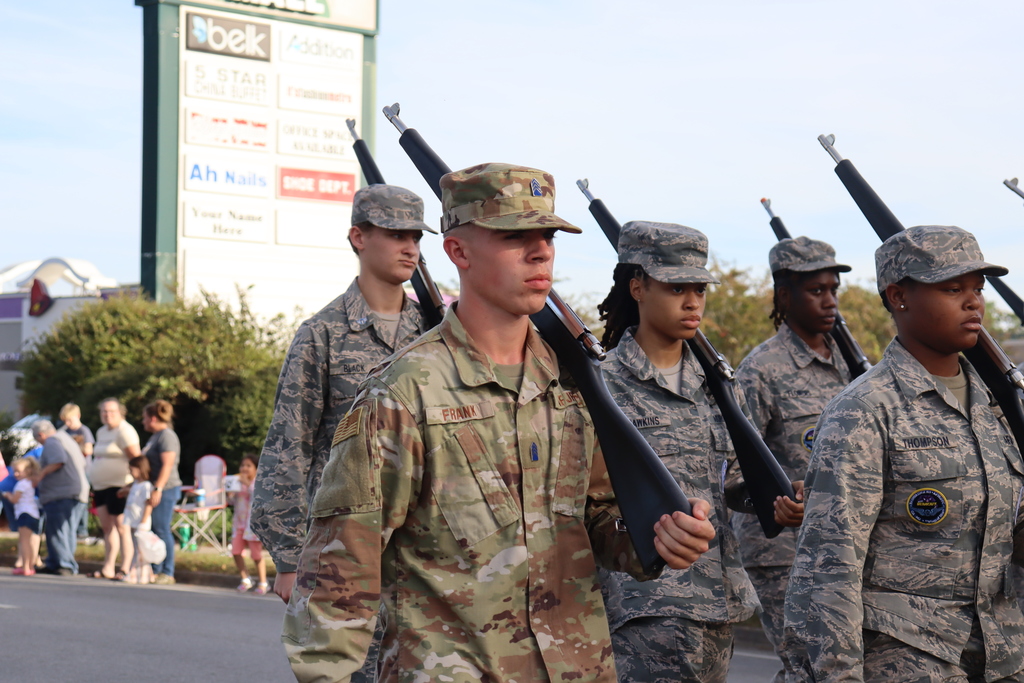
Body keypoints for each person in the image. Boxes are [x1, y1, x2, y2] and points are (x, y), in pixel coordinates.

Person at [282, 163, 716, 683]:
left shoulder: (572, 383)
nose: (541, 252)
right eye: (515, 236)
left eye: (548, 236)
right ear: (458, 252)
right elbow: (340, 570)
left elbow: (596, 520)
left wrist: (658, 537)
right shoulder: (404, 392)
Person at [784, 225, 1024, 682]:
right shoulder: (863, 411)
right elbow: (828, 570)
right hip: (908, 657)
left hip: (1001, 656)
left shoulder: (996, 405)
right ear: (898, 297)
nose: (974, 302)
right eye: (953, 288)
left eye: (977, 288)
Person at [594, 221, 759, 683]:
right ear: (638, 288)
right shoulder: (602, 385)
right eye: (676, 287)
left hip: (717, 601)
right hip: (643, 606)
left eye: (700, 289)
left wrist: (775, 499)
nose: (692, 302)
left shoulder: (719, 385)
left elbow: (729, 480)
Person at [729, 237, 853, 681]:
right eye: (815, 290)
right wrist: (779, 501)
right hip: (781, 552)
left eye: (832, 289)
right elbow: (733, 470)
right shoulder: (760, 369)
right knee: (807, 665)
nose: (829, 300)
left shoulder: (851, 364)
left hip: (841, 546)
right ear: (785, 296)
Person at [90, 397, 140, 579]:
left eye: (111, 411)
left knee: (121, 526)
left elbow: (136, 459)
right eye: (104, 411)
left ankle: (126, 566)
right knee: (107, 527)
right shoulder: (101, 431)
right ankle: (108, 566)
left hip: (119, 485)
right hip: (101, 486)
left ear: (121, 413)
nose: (107, 415)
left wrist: (132, 484)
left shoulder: (125, 431)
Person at [30, 419, 87, 575]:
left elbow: (58, 461)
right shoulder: (66, 439)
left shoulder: (52, 441)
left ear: (41, 434)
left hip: (61, 492)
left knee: (58, 530)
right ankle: (57, 562)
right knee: (65, 530)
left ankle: (64, 564)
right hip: (76, 491)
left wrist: (40, 475)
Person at [141, 399, 181, 585]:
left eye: (145, 418)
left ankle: (168, 571)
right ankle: (156, 569)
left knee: (162, 528)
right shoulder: (155, 436)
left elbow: (168, 465)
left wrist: (158, 488)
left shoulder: (167, 436)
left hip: (167, 488)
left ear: (153, 418)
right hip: (157, 488)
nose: (143, 422)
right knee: (156, 529)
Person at [59, 402, 96, 543]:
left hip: (83, 470)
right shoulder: (64, 432)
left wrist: (73, 448)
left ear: (78, 416)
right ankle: (72, 529)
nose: (68, 423)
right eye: (65, 420)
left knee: (82, 500)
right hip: (70, 471)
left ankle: (82, 530)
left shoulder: (84, 431)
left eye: (70, 420)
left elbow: (88, 450)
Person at [232, 454, 267, 595]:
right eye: (243, 465)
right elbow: (232, 501)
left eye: (248, 465)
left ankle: (263, 582)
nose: (244, 468)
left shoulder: (258, 483)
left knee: (256, 555)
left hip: (253, 525)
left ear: (256, 469)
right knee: (235, 551)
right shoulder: (237, 483)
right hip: (239, 524)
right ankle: (245, 579)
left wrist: (247, 483)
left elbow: (257, 496)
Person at [2, 457, 42, 576]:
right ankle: (29, 566)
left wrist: (8, 495)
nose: (16, 474)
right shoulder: (30, 483)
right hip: (33, 513)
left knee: (24, 541)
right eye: (14, 471)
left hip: (24, 514)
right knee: (29, 541)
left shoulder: (21, 484)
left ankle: (25, 567)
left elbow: (15, 500)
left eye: (19, 471)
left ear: (28, 471)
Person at [123, 455, 154, 585]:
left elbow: (148, 504)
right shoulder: (135, 484)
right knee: (136, 548)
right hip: (132, 520)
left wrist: (143, 521)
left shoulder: (146, 486)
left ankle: (137, 574)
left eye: (132, 470)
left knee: (141, 550)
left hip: (141, 521)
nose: (131, 473)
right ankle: (144, 575)